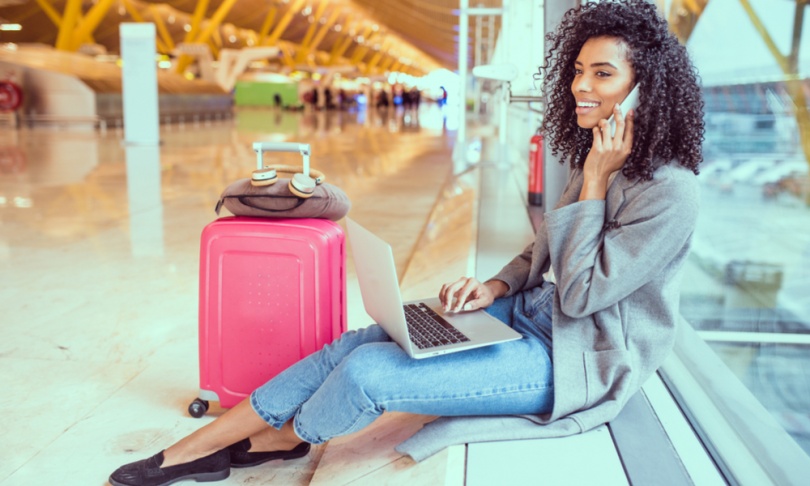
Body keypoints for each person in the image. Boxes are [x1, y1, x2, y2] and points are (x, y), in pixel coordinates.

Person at [108, 1, 704, 484]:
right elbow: (543, 252)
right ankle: (194, 448)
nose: (580, 85)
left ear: (644, 90)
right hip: (528, 314)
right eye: (577, 70)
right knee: (371, 337)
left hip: (578, 359)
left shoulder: (669, 192)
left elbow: (580, 295)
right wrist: (495, 284)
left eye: (603, 74)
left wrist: (595, 183)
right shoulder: (600, 157)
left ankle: (277, 440)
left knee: (369, 374)